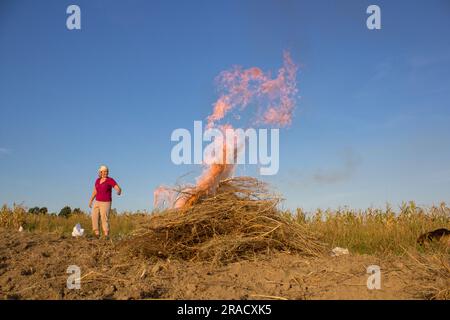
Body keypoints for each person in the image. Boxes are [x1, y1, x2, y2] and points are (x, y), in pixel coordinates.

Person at [88, 165, 121, 239]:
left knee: (104, 217)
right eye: (104, 171)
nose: (106, 172)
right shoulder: (97, 180)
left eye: (107, 171)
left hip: (106, 202)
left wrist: (118, 191)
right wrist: (91, 200)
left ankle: (106, 235)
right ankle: (97, 234)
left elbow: (117, 187)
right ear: (100, 172)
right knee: (94, 216)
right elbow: (95, 191)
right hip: (97, 201)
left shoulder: (110, 180)